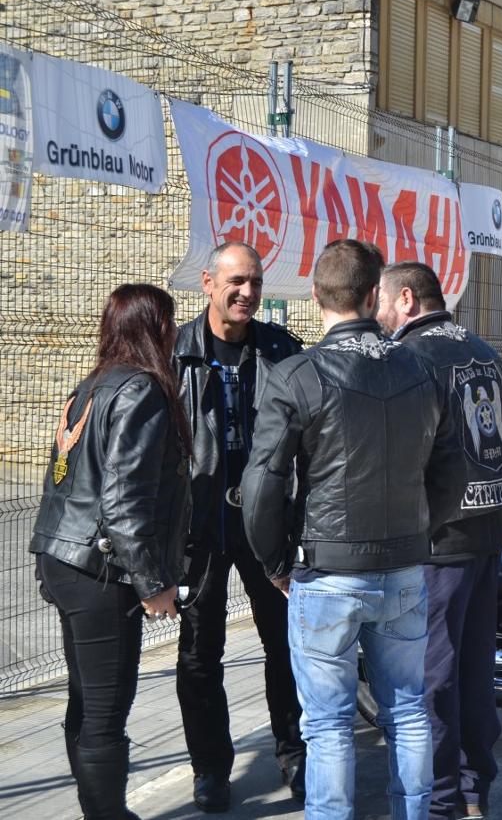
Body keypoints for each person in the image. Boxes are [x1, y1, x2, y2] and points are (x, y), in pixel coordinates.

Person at [242, 239, 462, 818]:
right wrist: (420, 533)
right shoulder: (422, 369)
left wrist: (274, 564)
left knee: (330, 725)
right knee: (409, 709)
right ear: (373, 296)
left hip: (328, 570)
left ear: (315, 296)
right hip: (403, 567)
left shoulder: (296, 376)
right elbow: (450, 471)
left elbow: (263, 485)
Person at [30, 284, 191, 818]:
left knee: (86, 698)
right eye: (169, 322)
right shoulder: (141, 390)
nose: (174, 333)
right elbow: (125, 502)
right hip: (100, 568)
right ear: (155, 327)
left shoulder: (90, 385)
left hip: (64, 558)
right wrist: (153, 583)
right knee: (104, 708)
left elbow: (60, 480)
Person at [173, 240, 305, 811]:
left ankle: (294, 753)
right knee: (201, 651)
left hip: (265, 521)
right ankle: (210, 768)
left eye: (254, 282)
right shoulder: (174, 352)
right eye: (236, 281)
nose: (248, 292)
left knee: (284, 643)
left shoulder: (280, 350)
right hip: (200, 524)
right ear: (208, 283)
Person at [378, 261, 502, 820]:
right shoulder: (484, 349)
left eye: (383, 303)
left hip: (439, 541)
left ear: (406, 299)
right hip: (486, 535)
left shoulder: (411, 357)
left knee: (431, 678)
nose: (379, 316)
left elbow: (405, 454)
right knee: (475, 670)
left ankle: (440, 802)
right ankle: (474, 790)